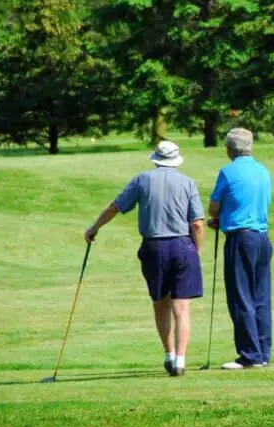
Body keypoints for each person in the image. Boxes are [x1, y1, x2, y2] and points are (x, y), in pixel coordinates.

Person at [84, 140, 205, 377]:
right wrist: (196, 251)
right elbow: (198, 224)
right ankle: (181, 359)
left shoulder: (142, 180)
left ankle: (169, 355)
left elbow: (116, 207)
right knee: (182, 307)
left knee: (161, 302)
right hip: (182, 245)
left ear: (156, 159)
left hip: (153, 246)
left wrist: (94, 227)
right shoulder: (188, 182)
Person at [208, 127, 273, 370]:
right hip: (262, 238)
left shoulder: (228, 172)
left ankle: (249, 355)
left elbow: (214, 208)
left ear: (229, 149)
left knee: (241, 296)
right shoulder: (263, 171)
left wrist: (220, 218)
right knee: (261, 297)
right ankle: (263, 353)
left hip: (240, 238)